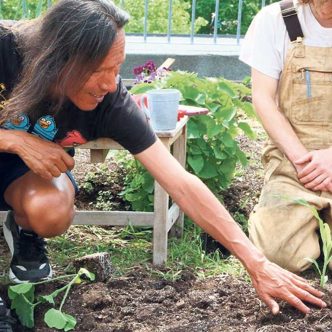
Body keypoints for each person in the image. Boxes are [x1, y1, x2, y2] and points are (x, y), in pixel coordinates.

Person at [0, 1, 327, 326]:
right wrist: (15, 140)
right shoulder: (6, 51)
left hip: (23, 177)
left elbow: (180, 183)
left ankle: (26, 230)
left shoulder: (111, 103)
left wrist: (258, 264)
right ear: (59, 60)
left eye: (117, 68)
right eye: (99, 70)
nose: (112, 83)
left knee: (50, 209)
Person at [240, 0, 332, 273]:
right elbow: (263, 99)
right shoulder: (277, 20)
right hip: (296, 163)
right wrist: (306, 163)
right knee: (275, 254)